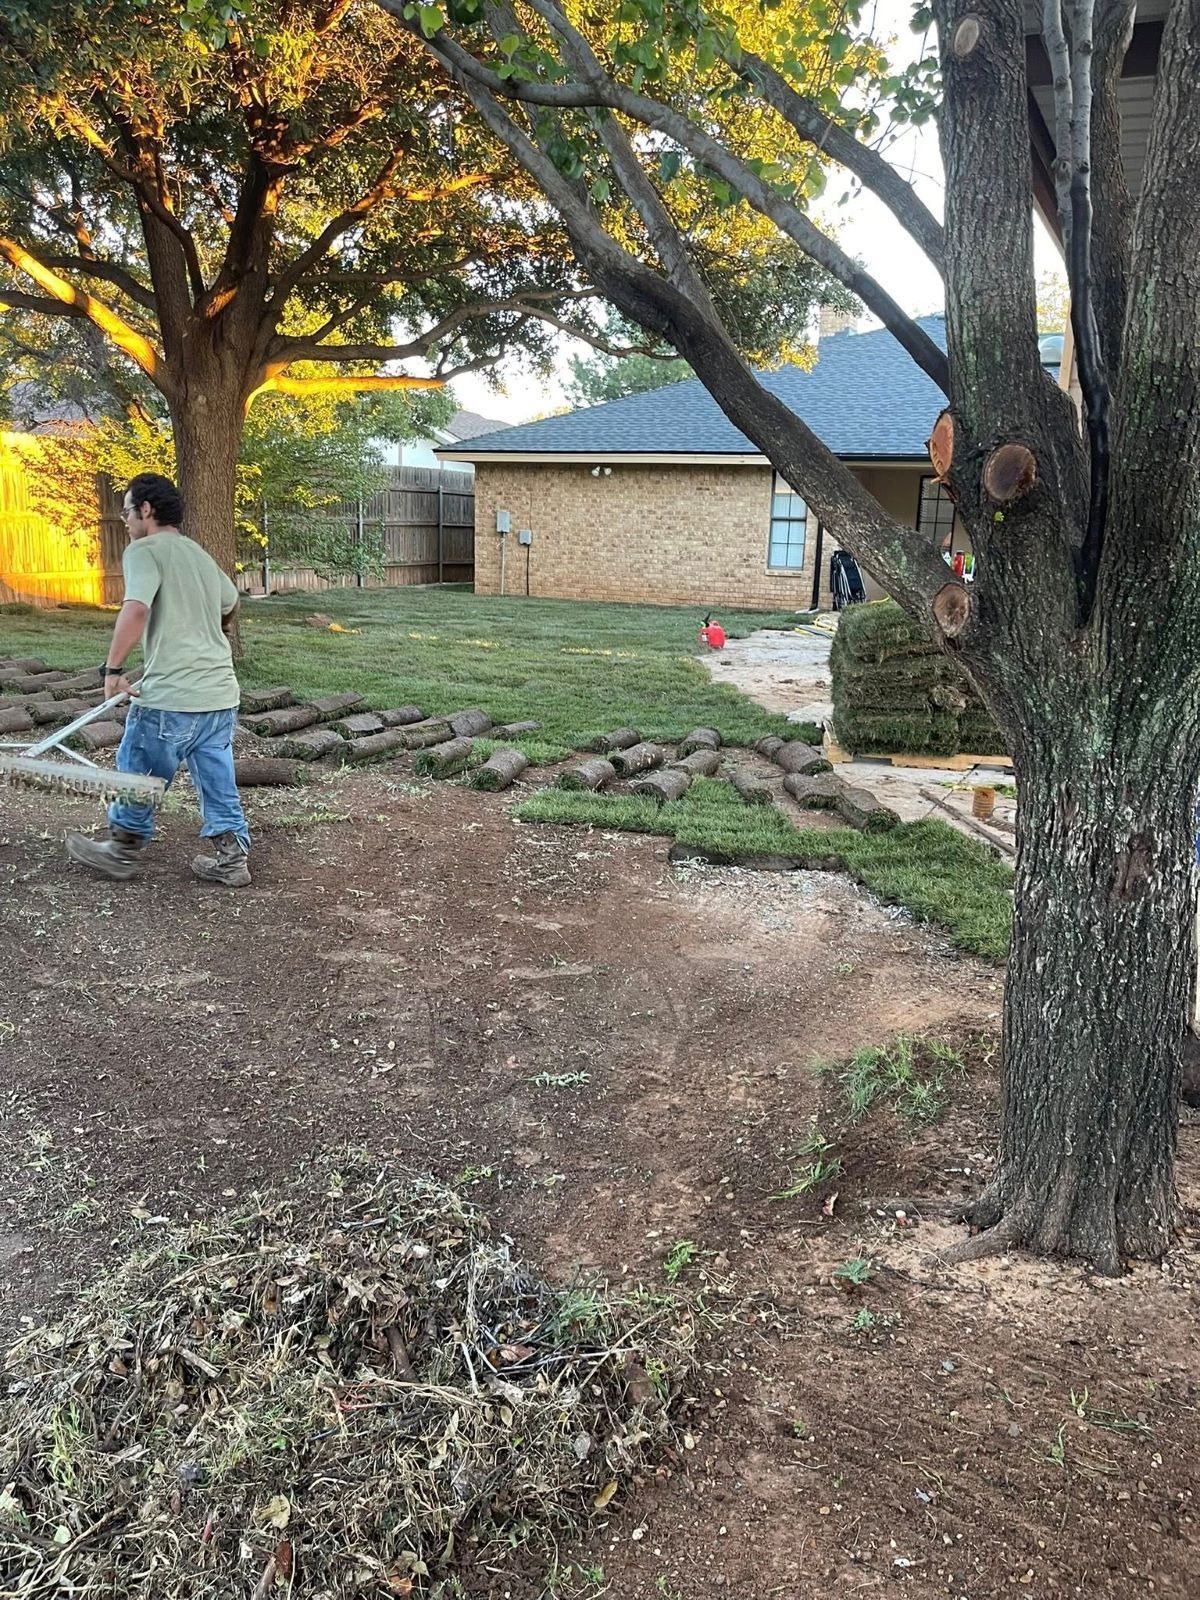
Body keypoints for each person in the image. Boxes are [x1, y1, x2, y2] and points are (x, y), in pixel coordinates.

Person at [65, 472, 252, 887]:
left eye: (128, 511)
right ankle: (232, 859)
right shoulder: (197, 554)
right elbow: (230, 601)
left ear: (146, 510)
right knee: (215, 775)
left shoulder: (144, 550)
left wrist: (113, 671)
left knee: (139, 769)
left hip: (172, 697)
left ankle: (120, 852)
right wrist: (208, 634)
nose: (126, 520)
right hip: (220, 694)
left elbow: (136, 609)